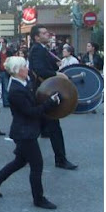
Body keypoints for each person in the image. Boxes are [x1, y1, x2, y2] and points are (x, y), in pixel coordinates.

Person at [0, 57, 60, 209]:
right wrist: (50, 103)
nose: (27, 68)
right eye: (25, 67)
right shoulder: (16, 90)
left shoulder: (24, 81)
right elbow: (31, 112)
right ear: (17, 71)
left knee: (19, 162)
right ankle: (38, 199)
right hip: (24, 133)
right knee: (37, 165)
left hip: (26, 130)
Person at [28, 25, 78, 170]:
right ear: (37, 37)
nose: (47, 34)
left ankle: (22, 154)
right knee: (54, 127)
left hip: (43, 92)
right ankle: (60, 160)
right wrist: (57, 74)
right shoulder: (37, 50)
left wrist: (56, 65)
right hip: (44, 93)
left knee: (36, 125)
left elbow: (47, 67)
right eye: (43, 33)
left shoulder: (42, 49)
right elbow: (40, 70)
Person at [0, 38, 12, 107]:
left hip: (6, 72)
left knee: (6, 88)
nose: (0, 44)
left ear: (5, 43)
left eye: (2, 42)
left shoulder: (9, 51)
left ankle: (6, 102)